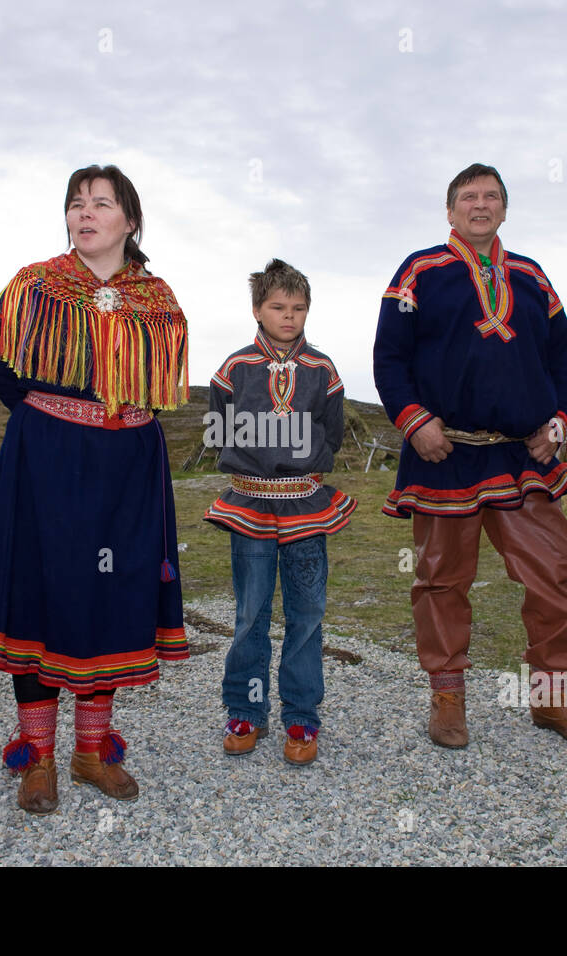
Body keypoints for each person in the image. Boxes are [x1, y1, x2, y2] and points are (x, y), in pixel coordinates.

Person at [0, 165, 189, 814]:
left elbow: (159, 390)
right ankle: (38, 757)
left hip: (130, 467)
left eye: (102, 203)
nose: (85, 213)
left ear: (130, 221)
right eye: (76, 204)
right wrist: (51, 418)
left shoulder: (158, 300)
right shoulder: (32, 286)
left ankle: (91, 750)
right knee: (41, 593)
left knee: (110, 595)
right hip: (48, 458)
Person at [372, 162, 567, 747]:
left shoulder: (531, 277)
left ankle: (552, 697)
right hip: (444, 452)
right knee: (442, 581)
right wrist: (413, 421)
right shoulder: (419, 272)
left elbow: (561, 360)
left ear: (504, 208)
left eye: (491, 196)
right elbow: (389, 358)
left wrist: (559, 421)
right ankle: (448, 697)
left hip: (522, 456)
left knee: (553, 571)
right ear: (450, 211)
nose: (480, 205)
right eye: (468, 197)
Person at [203, 259, 356, 766]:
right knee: (250, 613)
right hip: (249, 502)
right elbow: (219, 428)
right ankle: (245, 709)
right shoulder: (234, 369)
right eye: (278, 307)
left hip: (306, 504)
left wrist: (300, 466)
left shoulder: (323, 370)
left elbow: (330, 433)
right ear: (257, 310)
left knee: (307, 613)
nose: (289, 317)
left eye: (298, 308)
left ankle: (302, 716)